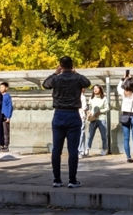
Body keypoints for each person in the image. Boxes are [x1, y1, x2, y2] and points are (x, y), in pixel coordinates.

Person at [42, 56, 90, 188]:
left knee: (56, 149)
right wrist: (75, 73)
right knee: (73, 149)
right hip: (73, 114)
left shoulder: (56, 79)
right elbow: (87, 82)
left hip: (59, 114)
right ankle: (72, 179)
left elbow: (45, 84)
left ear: (60, 66)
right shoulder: (77, 78)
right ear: (72, 65)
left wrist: (55, 72)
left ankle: (57, 179)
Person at [118, 71, 133, 163]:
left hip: (125, 116)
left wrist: (123, 79)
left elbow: (118, 87)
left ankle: (128, 157)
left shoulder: (123, 93)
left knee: (126, 138)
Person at [86, 85, 108, 156]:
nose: (95, 90)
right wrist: (89, 113)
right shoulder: (91, 98)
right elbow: (89, 108)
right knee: (90, 135)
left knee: (103, 136)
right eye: (94, 88)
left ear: (100, 89)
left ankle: (104, 149)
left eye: (96, 88)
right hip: (93, 119)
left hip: (102, 119)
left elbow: (107, 108)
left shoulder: (104, 98)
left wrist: (100, 111)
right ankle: (87, 149)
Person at [0, 82, 13, 152]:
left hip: (5, 117)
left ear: (6, 88)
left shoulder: (7, 96)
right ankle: (1, 145)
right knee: (0, 131)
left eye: (2, 87)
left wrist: (8, 117)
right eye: (0, 87)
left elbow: (10, 107)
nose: (0, 88)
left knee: (5, 131)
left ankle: (6, 145)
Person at [78, 87, 89, 156]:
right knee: (81, 133)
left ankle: (81, 150)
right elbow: (84, 108)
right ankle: (81, 150)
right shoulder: (83, 97)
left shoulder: (75, 96)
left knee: (81, 133)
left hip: (77, 116)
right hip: (81, 116)